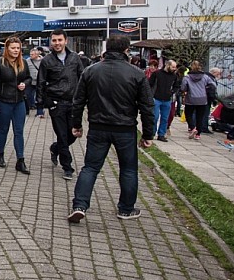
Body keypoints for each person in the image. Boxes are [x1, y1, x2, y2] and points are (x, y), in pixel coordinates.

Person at [68, 35, 155, 223]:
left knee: (90, 167)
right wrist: (148, 134)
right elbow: (147, 106)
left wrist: (76, 124)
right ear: (126, 50)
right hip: (125, 128)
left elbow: (78, 101)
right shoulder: (137, 74)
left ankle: (79, 205)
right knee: (128, 169)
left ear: (107, 49)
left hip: (98, 127)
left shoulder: (91, 71)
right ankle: (126, 208)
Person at [36, 29, 85, 180]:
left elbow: (83, 79)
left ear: (65, 41)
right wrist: (43, 103)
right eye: (54, 40)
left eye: (60, 40)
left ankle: (55, 148)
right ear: (51, 42)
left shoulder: (75, 58)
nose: (57, 43)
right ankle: (67, 167)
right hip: (56, 103)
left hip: (73, 103)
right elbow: (41, 82)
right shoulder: (47, 61)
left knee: (72, 135)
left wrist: (84, 99)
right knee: (62, 135)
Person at [0, 36, 32, 174]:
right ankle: (0, 155)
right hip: (4, 102)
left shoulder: (23, 62)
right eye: (13, 48)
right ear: (7, 48)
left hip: (19, 102)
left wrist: (25, 84)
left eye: (18, 48)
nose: (16, 50)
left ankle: (20, 160)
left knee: (19, 131)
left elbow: (29, 78)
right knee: (3, 130)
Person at [148, 60, 180, 142]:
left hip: (167, 99)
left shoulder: (174, 76)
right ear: (167, 65)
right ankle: (152, 133)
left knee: (165, 118)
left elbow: (176, 86)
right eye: (173, 67)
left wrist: (172, 92)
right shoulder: (157, 74)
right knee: (155, 117)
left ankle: (161, 134)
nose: (174, 69)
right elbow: (149, 84)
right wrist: (150, 95)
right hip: (156, 98)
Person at [181, 61, 213, 140]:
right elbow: (213, 85)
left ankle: (192, 128)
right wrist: (206, 89)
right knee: (200, 117)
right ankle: (198, 134)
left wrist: (186, 90)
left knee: (188, 114)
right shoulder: (205, 77)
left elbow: (183, 87)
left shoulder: (187, 77)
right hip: (202, 99)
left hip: (191, 98)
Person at [25, 48, 44, 118]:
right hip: (30, 82)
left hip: (40, 82)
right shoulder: (27, 61)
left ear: (37, 54)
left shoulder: (43, 61)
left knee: (39, 97)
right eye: (30, 54)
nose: (30, 56)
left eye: (32, 54)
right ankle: (26, 111)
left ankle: (40, 112)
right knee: (27, 95)